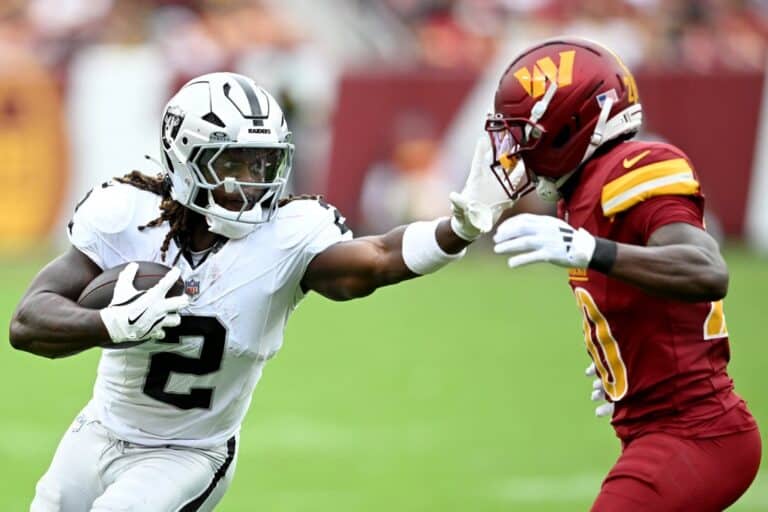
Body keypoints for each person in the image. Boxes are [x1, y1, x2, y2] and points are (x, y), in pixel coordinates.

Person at [9, 72, 514, 511]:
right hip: (98, 430)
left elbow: (377, 259)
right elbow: (27, 321)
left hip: (190, 453)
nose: (251, 183)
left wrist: (458, 230)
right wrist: (108, 325)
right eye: (232, 164)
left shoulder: (285, 238)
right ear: (185, 160)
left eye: (261, 164)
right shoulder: (127, 215)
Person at [485, 38, 761, 511]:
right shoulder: (583, 191)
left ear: (570, 124)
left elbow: (706, 270)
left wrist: (589, 248)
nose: (517, 148)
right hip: (657, 426)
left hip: (696, 431)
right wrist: (631, 367)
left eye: (527, 133)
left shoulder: (636, 167)